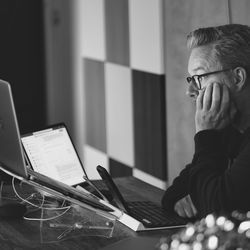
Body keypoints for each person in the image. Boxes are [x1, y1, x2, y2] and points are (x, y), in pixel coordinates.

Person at [162, 24, 250, 219]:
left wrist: (205, 134)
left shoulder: (215, 130)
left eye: (199, 77)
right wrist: (197, 197)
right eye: (190, 79)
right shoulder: (229, 127)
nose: (190, 91)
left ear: (237, 77)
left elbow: (217, 211)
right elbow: (174, 193)